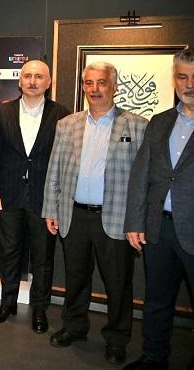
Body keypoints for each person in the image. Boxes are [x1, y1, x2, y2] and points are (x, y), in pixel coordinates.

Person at [42, 61, 148, 365]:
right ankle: (74, 326)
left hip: (115, 219)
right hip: (73, 215)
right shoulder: (68, 124)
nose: (95, 89)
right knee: (75, 277)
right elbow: (54, 170)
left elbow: (144, 179)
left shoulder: (137, 126)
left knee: (118, 284)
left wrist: (138, 220)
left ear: (114, 87)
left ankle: (117, 339)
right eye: (89, 83)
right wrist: (51, 209)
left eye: (101, 83)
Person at [123, 49, 194, 370]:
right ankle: (154, 359)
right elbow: (141, 174)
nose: (189, 84)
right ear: (174, 79)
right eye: (182, 77)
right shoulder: (160, 122)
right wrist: (134, 222)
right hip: (159, 229)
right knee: (156, 302)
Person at [0, 60, 69, 333]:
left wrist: (58, 198)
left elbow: (65, 159)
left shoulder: (61, 114)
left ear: (49, 82)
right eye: (28, 76)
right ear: (20, 81)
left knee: (42, 257)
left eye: (39, 76)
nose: (33, 81)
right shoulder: (3, 111)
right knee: (8, 253)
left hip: (44, 196)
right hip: (8, 195)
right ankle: (7, 303)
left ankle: (39, 309)